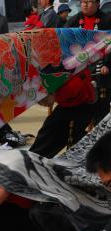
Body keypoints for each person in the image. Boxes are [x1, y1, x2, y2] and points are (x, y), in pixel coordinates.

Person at [29, 0, 111, 158]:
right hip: (76, 73)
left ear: (97, 3)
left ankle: (102, 153)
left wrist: (108, 64)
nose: (85, 5)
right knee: (61, 128)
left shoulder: (107, 20)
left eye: (89, 2)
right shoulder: (73, 21)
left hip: (99, 73)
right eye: (83, 2)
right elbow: (62, 44)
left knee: (100, 118)